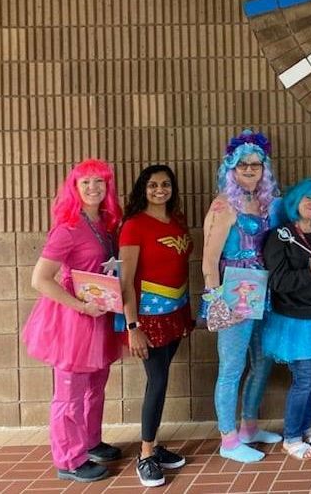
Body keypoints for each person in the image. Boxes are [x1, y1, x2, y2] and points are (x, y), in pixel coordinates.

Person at [21, 159, 124, 483]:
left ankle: (91, 441)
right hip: (72, 322)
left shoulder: (106, 222)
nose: (93, 188)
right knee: (69, 392)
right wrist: (79, 306)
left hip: (99, 316)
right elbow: (40, 279)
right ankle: (68, 459)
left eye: (100, 182)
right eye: (86, 183)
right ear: (74, 188)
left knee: (96, 385)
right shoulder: (67, 227)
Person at [200, 130, 282, 462]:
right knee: (232, 366)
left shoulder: (264, 202)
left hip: (263, 289)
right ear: (231, 168)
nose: (249, 169)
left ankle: (249, 426)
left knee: (262, 361)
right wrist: (217, 299)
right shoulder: (224, 205)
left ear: (264, 168)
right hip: (233, 291)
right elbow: (208, 260)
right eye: (242, 164)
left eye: (256, 164)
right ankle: (228, 439)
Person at [118, 165, 196, 486]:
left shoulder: (176, 221)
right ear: (143, 189)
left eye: (165, 184)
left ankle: (154, 446)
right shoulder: (134, 226)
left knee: (161, 378)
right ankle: (146, 454)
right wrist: (132, 325)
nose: (159, 190)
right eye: (152, 185)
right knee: (158, 380)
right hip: (147, 319)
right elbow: (125, 282)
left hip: (176, 311)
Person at [262, 178, 311, 460]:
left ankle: (306, 429)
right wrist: (309, 270)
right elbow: (278, 280)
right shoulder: (280, 235)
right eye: (308, 198)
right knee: (304, 380)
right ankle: (292, 436)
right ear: (295, 201)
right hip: (294, 320)